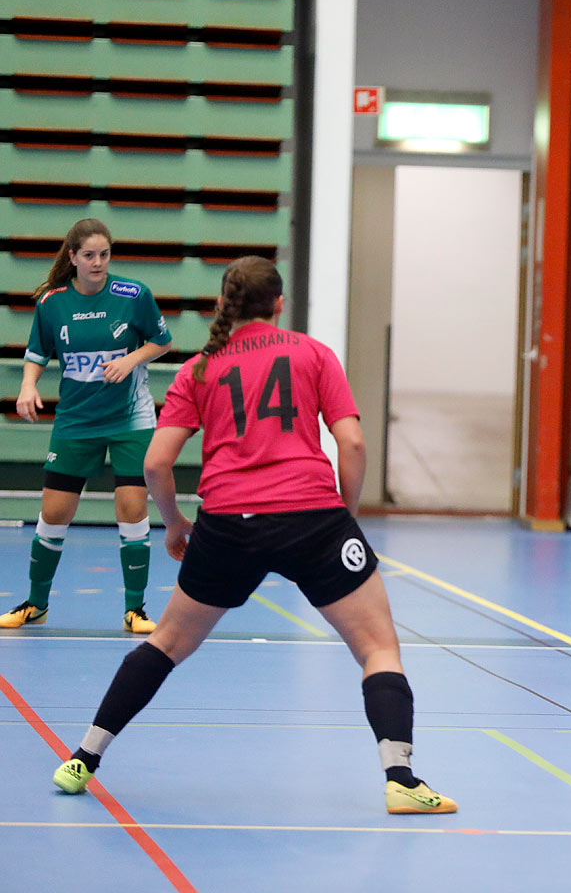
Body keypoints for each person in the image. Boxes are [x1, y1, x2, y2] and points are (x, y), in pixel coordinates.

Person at [49, 257, 455, 815]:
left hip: (227, 525)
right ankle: (401, 779)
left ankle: (82, 759)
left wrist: (175, 525)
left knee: (165, 644)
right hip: (313, 519)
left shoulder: (198, 369)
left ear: (223, 305)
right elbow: (354, 445)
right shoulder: (313, 354)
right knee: (378, 648)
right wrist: (344, 516)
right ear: (279, 305)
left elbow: (156, 464)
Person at [1, 219, 171, 633]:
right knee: (54, 514)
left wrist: (131, 359)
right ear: (73, 257)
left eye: (105, 255)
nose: (98, 263)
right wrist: (27, 387)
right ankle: (36, 605)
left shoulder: (134, 295)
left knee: (131, 512)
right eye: (90, 255)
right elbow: (37, 353)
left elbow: (162, 341)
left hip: (130, 420)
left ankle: (136, 610)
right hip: (76, 422)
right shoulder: (52, 303)